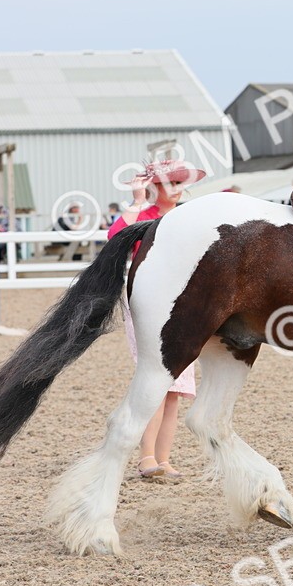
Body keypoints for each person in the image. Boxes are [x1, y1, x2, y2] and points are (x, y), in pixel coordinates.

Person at [108, 159, 207, 480]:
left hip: (182, 303)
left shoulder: (186, 217)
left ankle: (162, 458)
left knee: (175, 389)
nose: (178, 190)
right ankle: (147, 456)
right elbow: (116, 236)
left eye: (180, 184)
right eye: (171, 184)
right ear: (155, 187)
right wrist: (137, 203)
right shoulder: (146, 217)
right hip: (150, 303)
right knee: (158, 381)